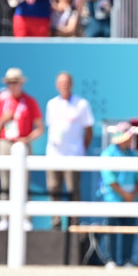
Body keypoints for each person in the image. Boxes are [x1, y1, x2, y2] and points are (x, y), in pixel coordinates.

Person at [0, 68, 43, 231]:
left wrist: (26, 139)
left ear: (21, 83)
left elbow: (40, 128)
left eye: (15, 83)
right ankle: (4, 218)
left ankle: (25, 218)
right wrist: (3, 119)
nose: (12, 86)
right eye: (9, 83)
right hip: (5, 143)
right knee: (5, 182)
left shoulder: (30, 101)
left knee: (24, 181)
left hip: (23, 144)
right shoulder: (3, 102)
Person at [45, 72, 94, 230]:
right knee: (53, 188)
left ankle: (74, 224)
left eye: (66, 83)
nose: (64, 86)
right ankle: (56, 223)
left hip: (73, 156)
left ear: (71, 84)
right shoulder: (51, 104)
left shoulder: (81, 104)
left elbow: (89, 131)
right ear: (57, 85)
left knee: (73, 189)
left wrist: (80, 150)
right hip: (54, 155)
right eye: (61, 83)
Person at [98, 122, 138, 266]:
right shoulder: (108, 154)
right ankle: (110, 259)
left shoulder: (133, 155)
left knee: (129, 231)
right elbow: (109, 179)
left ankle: (127, 260)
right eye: (128, 137)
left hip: (129, 199)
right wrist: (126, 194)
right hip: (112, 198)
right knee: (111, 230)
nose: (130, 139)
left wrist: (131, 194)